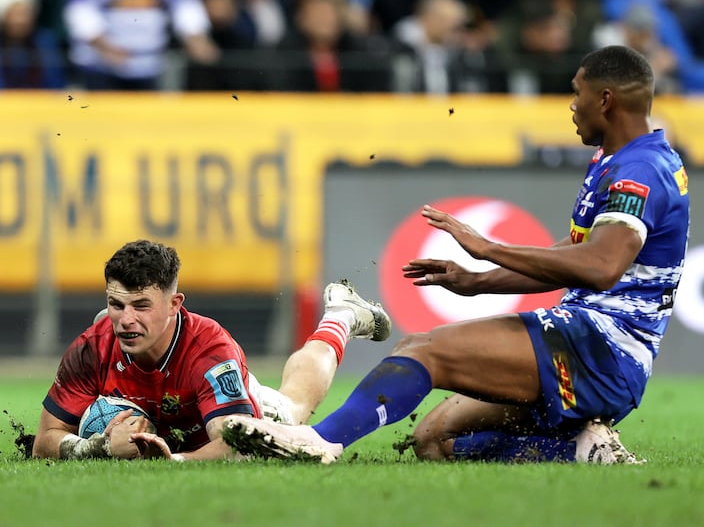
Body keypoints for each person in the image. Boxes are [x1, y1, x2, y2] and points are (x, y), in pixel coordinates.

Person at [220, 45, 691, 465]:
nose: (572, 104)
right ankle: (582, 449)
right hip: (588, 345)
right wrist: (478, 278)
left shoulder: (641, 169)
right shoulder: (616, 158)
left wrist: (489, 247)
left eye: (577, 92)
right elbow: (576, 252)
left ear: (605, 99)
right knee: (433, 438)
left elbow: (602, 267)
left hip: (601, 351)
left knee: (425, 349)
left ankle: (317, 441)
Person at [31, 239, 391, 461]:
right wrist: (101, 449)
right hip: (168, 418)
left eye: (141, 305)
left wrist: (178, 461)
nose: (125, 320)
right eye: (116, 304)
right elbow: (43, 441)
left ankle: (341, 316)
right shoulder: (93, 346)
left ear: (174, 304)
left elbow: (234, 444)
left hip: (224, 411)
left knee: (293, 406)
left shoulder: (209, 351)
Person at [63, 0, 219, 91]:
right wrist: (103, 45)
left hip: (151, 67)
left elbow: (185, 6)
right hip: (101, 69)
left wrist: (196, 38)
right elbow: (79, 10)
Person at [0, 0, 66, 89]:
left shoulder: (45, 43)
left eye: (25, 13)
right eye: (14, 14)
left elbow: (55, 86)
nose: (20, 20)